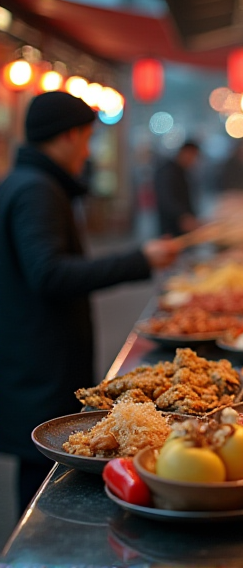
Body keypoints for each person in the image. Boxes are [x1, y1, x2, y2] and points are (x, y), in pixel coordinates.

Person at [0, 91, 180, 515]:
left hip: (31, 357)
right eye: (87, 138)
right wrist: (139, 260)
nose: (88, 151)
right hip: (39, 364)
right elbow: (49, 274)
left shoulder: (27, 181)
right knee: (43, 476)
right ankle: (35, 545)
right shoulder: (37, 190)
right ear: (68, 136)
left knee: (42, 467)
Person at [154, 140, 201, 236]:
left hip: (181, 224)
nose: (194, 161)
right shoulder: (168, 172)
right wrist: (183, 216)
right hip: (171, 226)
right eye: (193, 156)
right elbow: (167, 199)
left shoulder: (181, 171)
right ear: (185, 153)